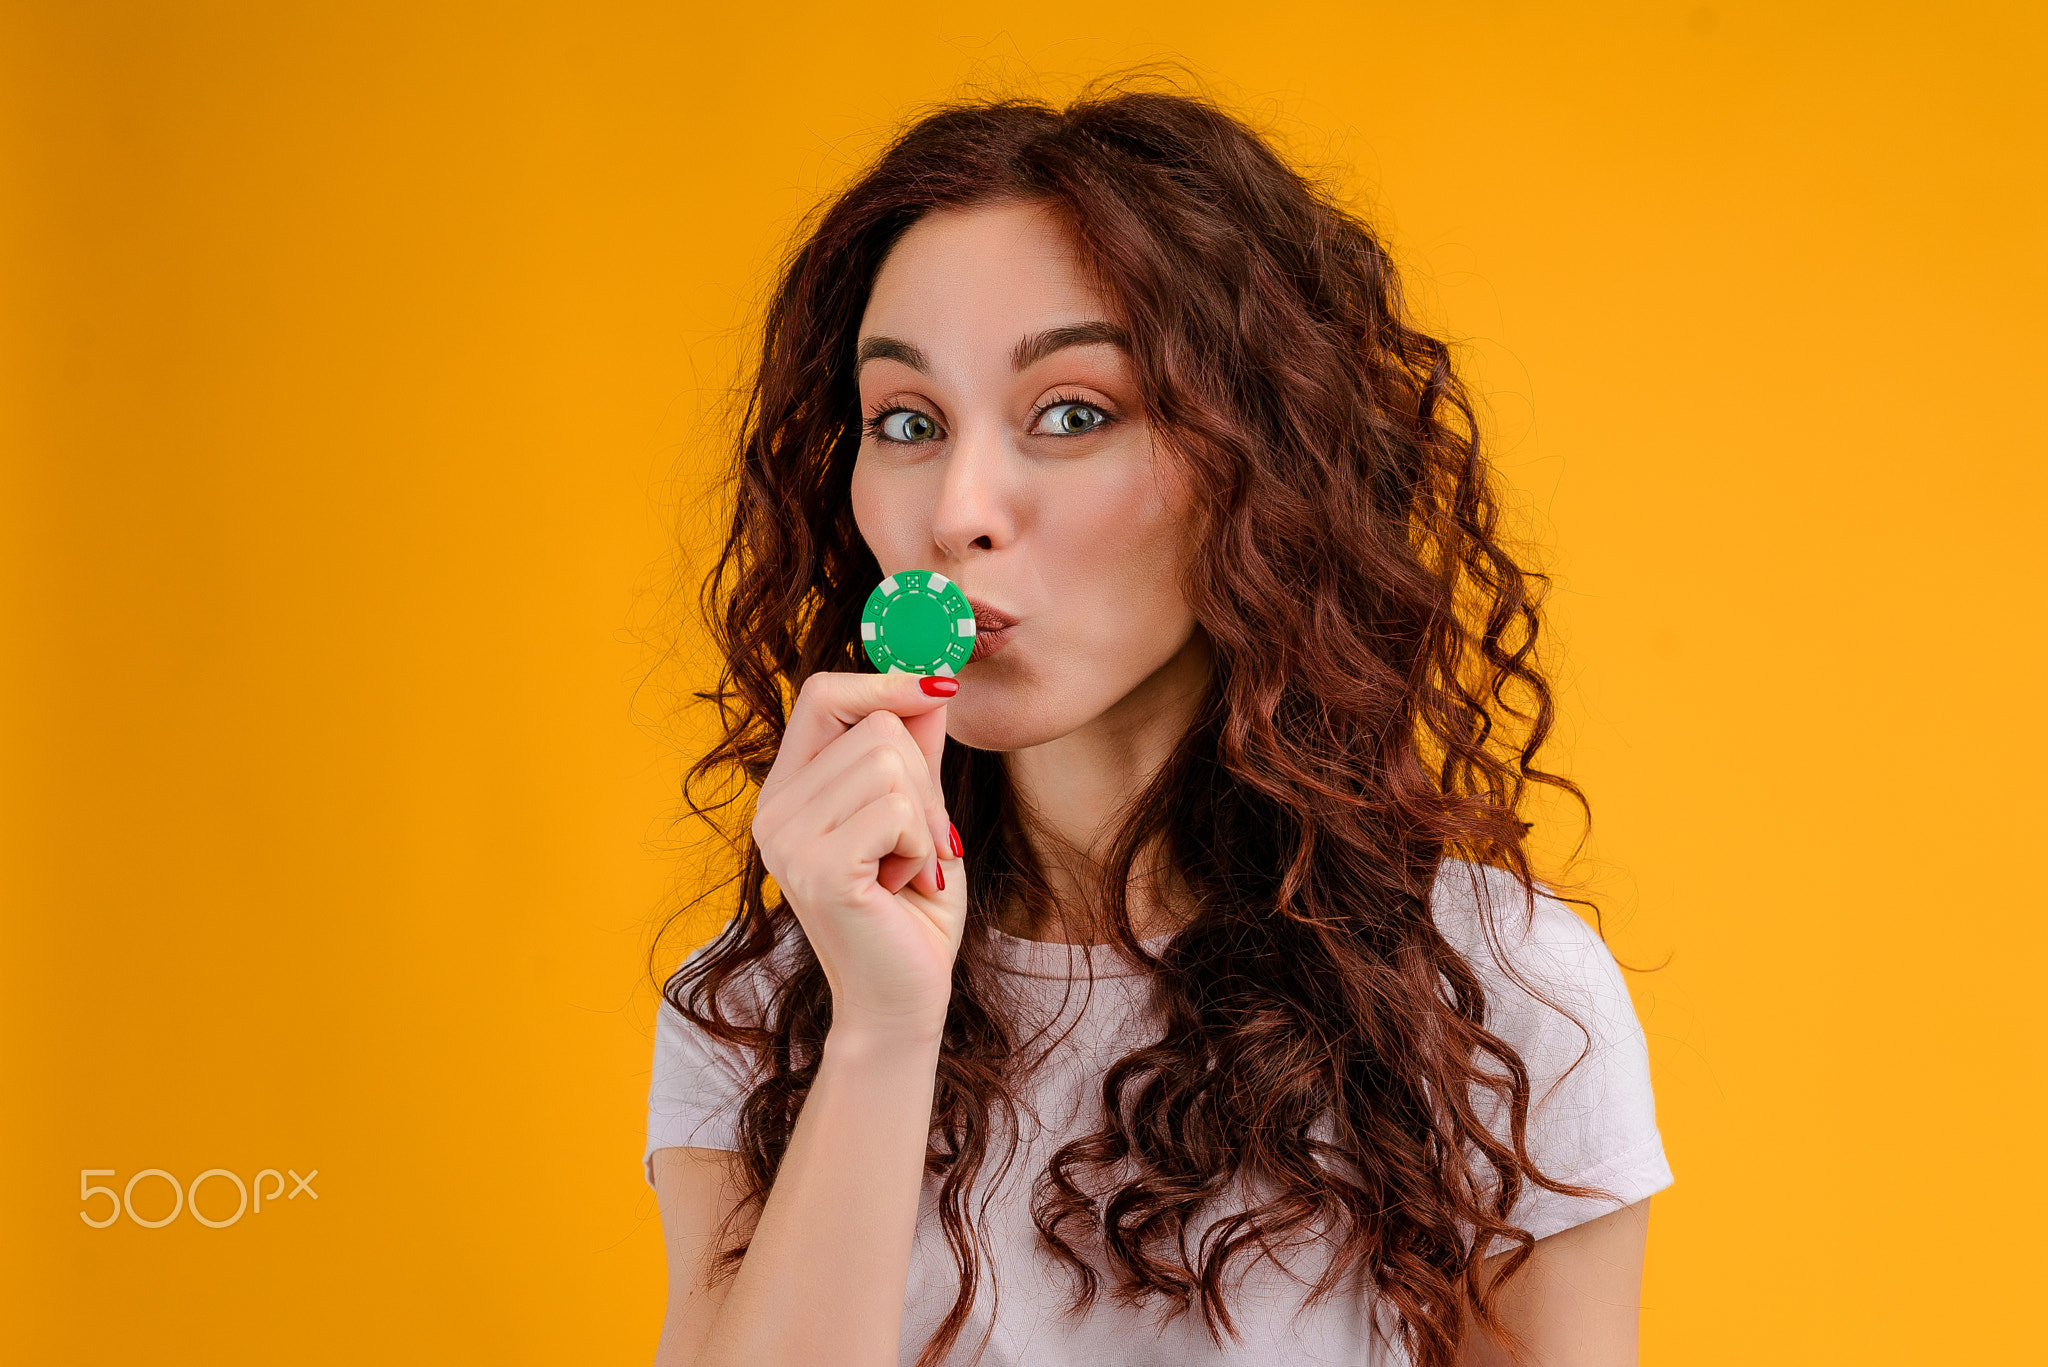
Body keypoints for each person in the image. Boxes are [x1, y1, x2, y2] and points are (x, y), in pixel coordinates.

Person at [642, 84, 1672, 1367]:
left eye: (1070, 413)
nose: (955, 510)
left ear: (1255, 466)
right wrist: (880, 1030)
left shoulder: (1489, 993)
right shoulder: (765, 999)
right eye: (906, 422)